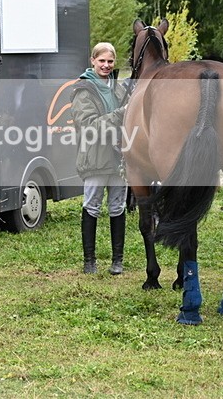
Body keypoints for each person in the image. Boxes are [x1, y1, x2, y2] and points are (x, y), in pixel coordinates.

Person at [70, 42, 128, 275]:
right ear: (92, 61)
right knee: (91, 206)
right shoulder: (83, 91)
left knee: (118, 207)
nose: (106, 65)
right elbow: (89, 126)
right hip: (95, 158)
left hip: (118, 159)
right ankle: (89, 262)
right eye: (102, 60)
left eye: (110, 61)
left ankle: (118, 261)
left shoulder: (119, 88)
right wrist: (121, 114)